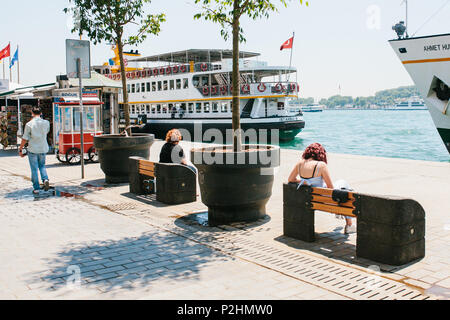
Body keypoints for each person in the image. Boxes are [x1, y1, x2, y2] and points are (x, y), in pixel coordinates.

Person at [287, 143, 356, 234]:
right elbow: (330, 187)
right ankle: (349, 224)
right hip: (324, 199)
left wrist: (305, 181)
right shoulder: (321, 165)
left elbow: (290, 179)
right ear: (320, 154)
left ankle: (347, 221)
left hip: (310, 199)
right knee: (344, 185)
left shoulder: (300, 163)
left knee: (343, 189)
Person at [19, 106, 50, 195]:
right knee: (42, 166)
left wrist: (21, 148)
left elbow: (25, 138)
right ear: (41, 113)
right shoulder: (46, 123)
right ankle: (45, 179)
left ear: (32, 114)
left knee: (34, 169)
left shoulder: (29, 124)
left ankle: (36, 188)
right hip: (43, 148)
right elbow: (46, 132)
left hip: (33, 149)